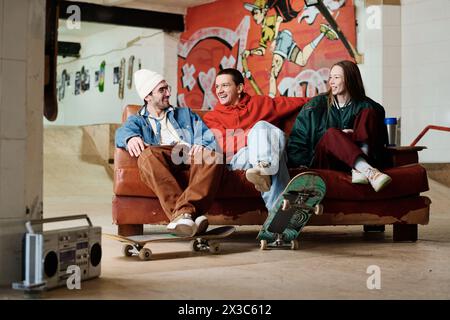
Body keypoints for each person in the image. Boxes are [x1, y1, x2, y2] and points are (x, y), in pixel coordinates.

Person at [115, 69, 223, 236]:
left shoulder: (185, 114)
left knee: (212, 156)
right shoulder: (137, 120)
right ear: (147, 97)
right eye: (162, 90)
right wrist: (129, 138)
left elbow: (206, 135)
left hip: (187, 153)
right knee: (147, 155)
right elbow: (121, 133)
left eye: (167, 88)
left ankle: (182, 215)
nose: (168, 93)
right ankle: (190, 215)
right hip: (161, 158)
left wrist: (201, 144)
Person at [203, 68, 309, 212]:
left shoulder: (262, 103)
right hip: (239, 160)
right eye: (217, 86)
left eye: (225, 85)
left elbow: (300, 102)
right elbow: (224, 145)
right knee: (256, 145)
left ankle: (265, 172)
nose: (219, 90)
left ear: (239, 87)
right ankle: (279, 206)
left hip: (269, 155)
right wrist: (254, 135)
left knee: (262, 127)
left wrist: (327, 98)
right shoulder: (212, 117)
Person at [287, 60, 392, 192]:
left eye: (336, 77)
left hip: (355, 164)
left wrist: (352, 136)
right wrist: (340, 137)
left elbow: (379, 146)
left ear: (350, 80)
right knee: (332, 134)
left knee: (369, 113)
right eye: (330, 77)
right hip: (323, 162)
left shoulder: (369, 107)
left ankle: (359, 168)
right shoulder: (314, 106)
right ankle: (367, 171)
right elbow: (296, 145)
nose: (331, 81)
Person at [242, 0, 338, 97]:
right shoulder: (263, 32)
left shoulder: (269, 19)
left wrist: (275, 39)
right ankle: (323, 33)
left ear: (263, 11)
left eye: (256, 13)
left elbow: (279, 19)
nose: (254, 16)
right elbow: (262, 50)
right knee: (302, 60)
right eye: (253, 14)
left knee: (273, 73)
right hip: (285, 40)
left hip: (282, 39)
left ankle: (271, 101)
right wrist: (250, 52)